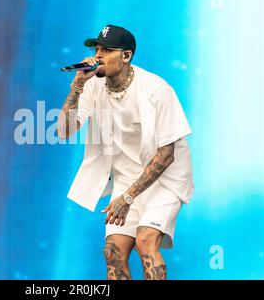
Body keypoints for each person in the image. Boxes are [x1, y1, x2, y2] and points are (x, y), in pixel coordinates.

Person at [57, 24, 194, 280]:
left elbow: (166, 156)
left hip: (165, 179)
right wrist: (77, 85)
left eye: (107, 50)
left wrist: (128, 198)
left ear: (126, 56)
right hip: (127, 177)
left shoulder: (156, 90)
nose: (98, 55)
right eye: (96, 49)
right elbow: (63, 131)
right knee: (112, 252)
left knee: (145, 241)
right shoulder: (92, 84)